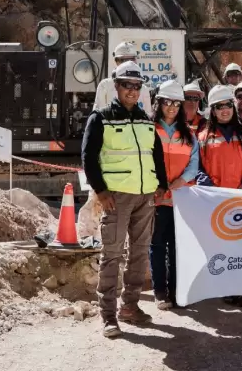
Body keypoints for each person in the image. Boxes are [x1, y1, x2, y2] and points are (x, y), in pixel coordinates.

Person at [81, 61, 168, 336]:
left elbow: (156, 154)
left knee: (140, 253)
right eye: (127, 85)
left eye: (136, 85)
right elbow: (88, 157)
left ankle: (130, 306)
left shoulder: (145, 120)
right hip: (116, 197)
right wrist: (101, 191)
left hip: (145, 196)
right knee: (112, 254)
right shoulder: (101, 118)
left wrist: (161, 183)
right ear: (116, 86)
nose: (132, 90)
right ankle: (108, 315)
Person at [196, 84, 242, 309]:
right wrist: (211, 189)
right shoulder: (202, 137)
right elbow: (198, 169)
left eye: (227, 105)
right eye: (218, 106)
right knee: (221, 247)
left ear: (233, 107)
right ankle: (227, 290)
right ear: (212, 110)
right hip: (215, 202)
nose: (224, 110)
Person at [150, 80, 200, 311]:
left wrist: (182, 180)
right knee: (157, 245)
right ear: (159, 103)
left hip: (181, 199)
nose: (171, 107)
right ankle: (160, 293)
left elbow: (194, 163)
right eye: (167, 102)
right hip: (156, 198)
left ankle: (177, 292)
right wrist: (156, 184)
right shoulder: (149, 129)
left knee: (178, 247)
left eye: (176, 103)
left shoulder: (188, 134)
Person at [93, 41, 151, 111]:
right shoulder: (105, 85)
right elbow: (99, 112)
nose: (127, 63)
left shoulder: (143, 89)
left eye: (131, 59)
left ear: (136, 60)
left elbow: (147, 114)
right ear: (116, 61)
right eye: (123, 60)